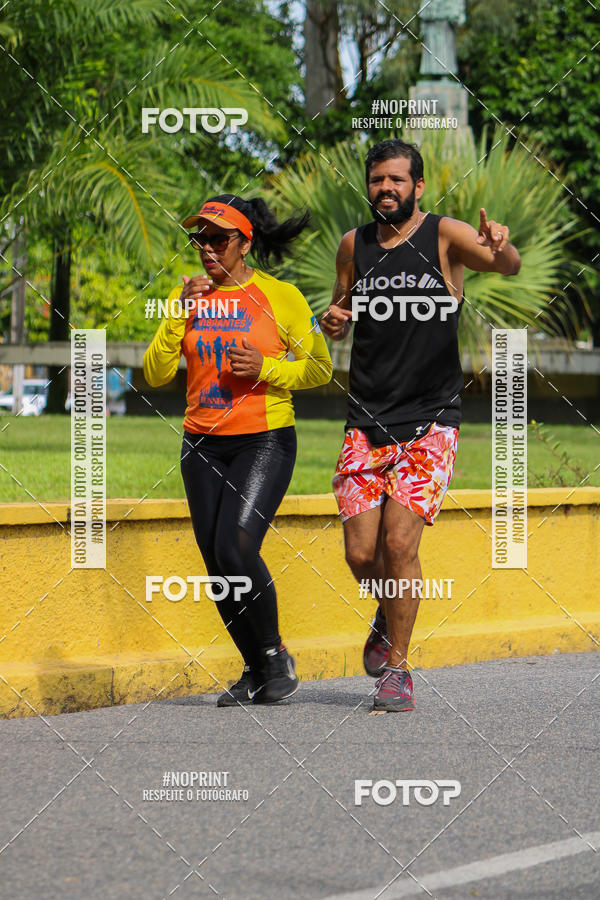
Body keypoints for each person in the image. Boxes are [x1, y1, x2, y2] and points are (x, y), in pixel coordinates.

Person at [320, 139, 521, 712]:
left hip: (431, 420)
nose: (387, 188)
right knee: (362, 556)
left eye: (397, 180)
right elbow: (342, 312)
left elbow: (507, 266)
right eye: (378, 179)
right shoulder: (352, 244)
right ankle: (388, 611)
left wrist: (503, 248)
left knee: (399, 542)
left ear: (418, 186)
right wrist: (333, 320)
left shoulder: (444, 236)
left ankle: (398, 670)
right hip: (366, 418)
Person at [144, 194, 332, 706]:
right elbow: (156, 373)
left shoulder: (280, 296)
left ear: (244, 244)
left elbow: (320, 368)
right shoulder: (189, 297)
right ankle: (253, 669)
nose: (206, 248)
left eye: (218, 239)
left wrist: (266, 369)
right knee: (215, 563)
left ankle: (274, 656)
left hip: (264, 438)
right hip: (201, 442)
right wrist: (176, 315)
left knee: (236, 548)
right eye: (199, 239)